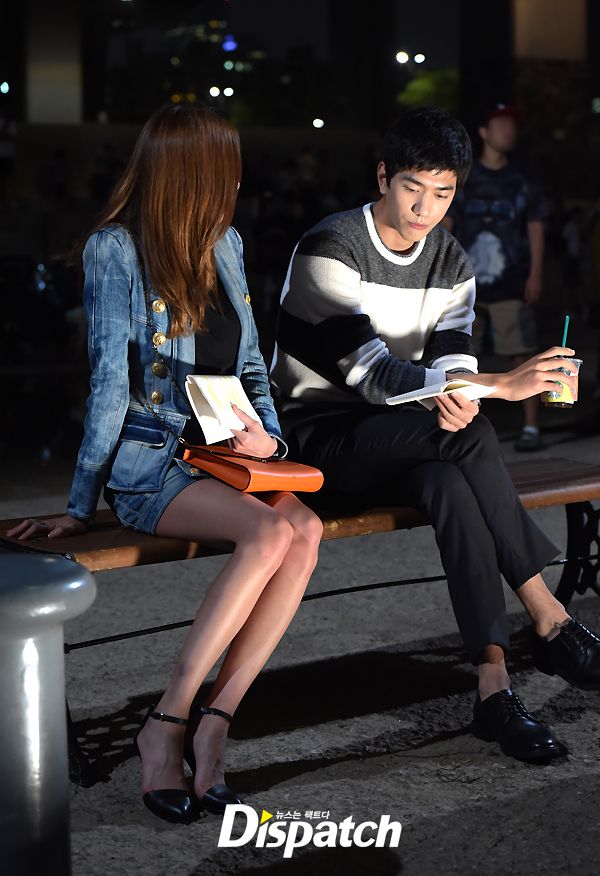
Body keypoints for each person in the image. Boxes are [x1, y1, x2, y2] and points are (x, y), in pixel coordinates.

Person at [6, 104, 323, 824]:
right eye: (227, 168)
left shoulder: (227, 243)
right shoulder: (115, 249)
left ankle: (216, 723)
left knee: (304, 532)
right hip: (153, 462)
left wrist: (271, 446)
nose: (237, 182)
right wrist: (81, 504)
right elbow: (108, 384)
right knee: (270, 533)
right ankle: (168, 722)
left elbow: (250, 367)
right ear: (195, 174)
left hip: (228, 455)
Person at [270, 105, 600, 764]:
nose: (425, 208)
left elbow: (452, 369)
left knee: (452, 478)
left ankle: (493, 688)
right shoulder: (329, 248)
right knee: (468, 441)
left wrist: (462, 398)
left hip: (406, 434)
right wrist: (499, 387)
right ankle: (549, 616)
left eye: (443, 193)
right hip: (316, 439)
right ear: (383, 177)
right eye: (412, 188)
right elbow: (370, 375)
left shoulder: (450, 259)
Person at [444, 103, 546, 452]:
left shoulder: (523, 179)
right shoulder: (464, 177)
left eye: (512, 125)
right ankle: (462, 427)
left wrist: (535, 274)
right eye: (500, 124)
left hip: (511, 281)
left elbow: (535, 227)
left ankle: (531, 427)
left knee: (520, 352)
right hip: (465, 285)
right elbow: (447, 224)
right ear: (484, 132)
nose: (508, 130)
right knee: (459, 354)